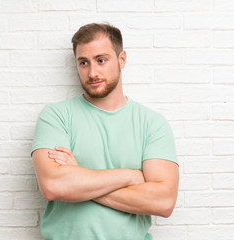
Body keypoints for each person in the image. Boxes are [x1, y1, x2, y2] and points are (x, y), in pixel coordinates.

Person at [31, 23, 179, 240]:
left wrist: (80, 179)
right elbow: (54, 186)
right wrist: (130, 176)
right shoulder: (56, 116)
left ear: (121, 59)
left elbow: (163, 202)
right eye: (83, 63)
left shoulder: (152, 123)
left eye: (101, 60)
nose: (92, 72)